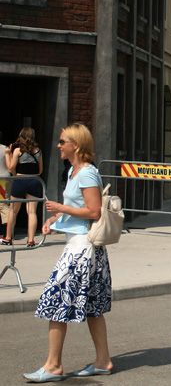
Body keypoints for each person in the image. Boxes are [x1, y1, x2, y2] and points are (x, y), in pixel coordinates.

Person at [25, 123, 113, 381]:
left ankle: (53, 366)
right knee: (93, 307)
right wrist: (56, 220)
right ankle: (103, 361)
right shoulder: (75, 171)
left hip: (82, 249)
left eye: (63, 141)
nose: (59, 145)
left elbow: (94, 212)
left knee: (54, 301)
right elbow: (80, 210)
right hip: (82, 246)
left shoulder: (86, 173)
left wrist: (61, 209)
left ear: (76, 145)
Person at [2, 127, 44, 247]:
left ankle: (8, 238)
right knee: (32, 212)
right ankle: (31, 240)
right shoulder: (38, 151)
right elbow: (40, 170)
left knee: (13, 211)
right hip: (35, 181)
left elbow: (10, 168)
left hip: (20, 181)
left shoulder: (17, 151)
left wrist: (7, 154)